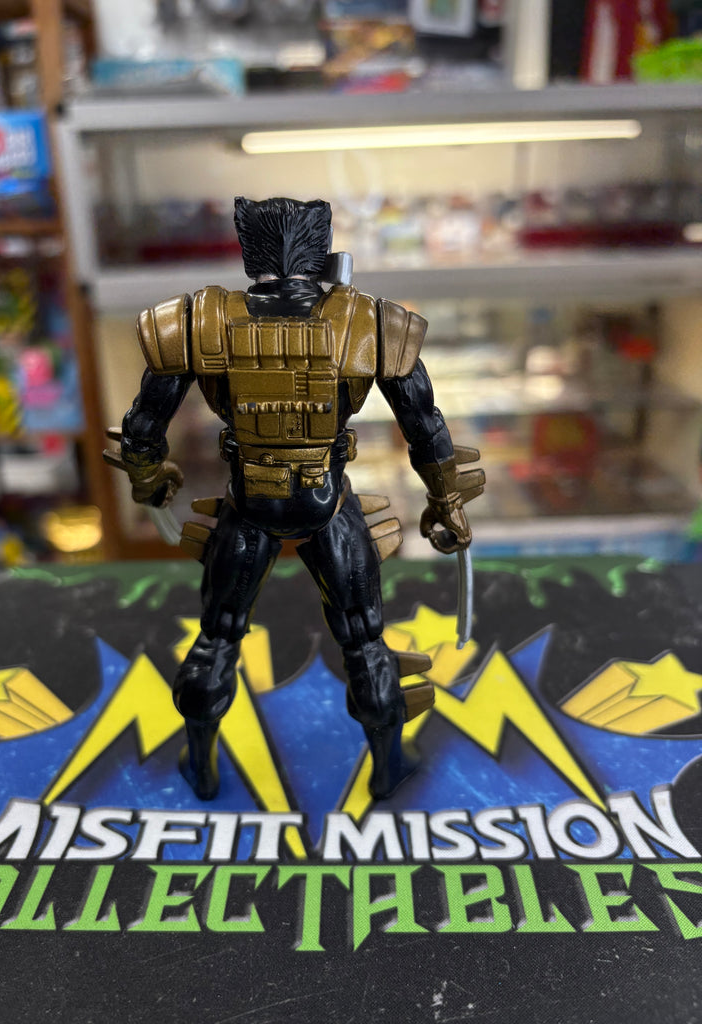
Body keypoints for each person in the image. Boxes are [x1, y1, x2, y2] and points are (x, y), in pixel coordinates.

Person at [111, 196, 484, 800]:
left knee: (217, 637)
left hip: (248, 509)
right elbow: (425, 426)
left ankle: (201, 764)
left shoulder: (200, 320)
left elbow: (142, 430)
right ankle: (387, 765)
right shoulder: (369, 321)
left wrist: (150, 481)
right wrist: (447, 503)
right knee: (364, 641)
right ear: (322, 249)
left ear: (248, 250)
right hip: (326, 504)